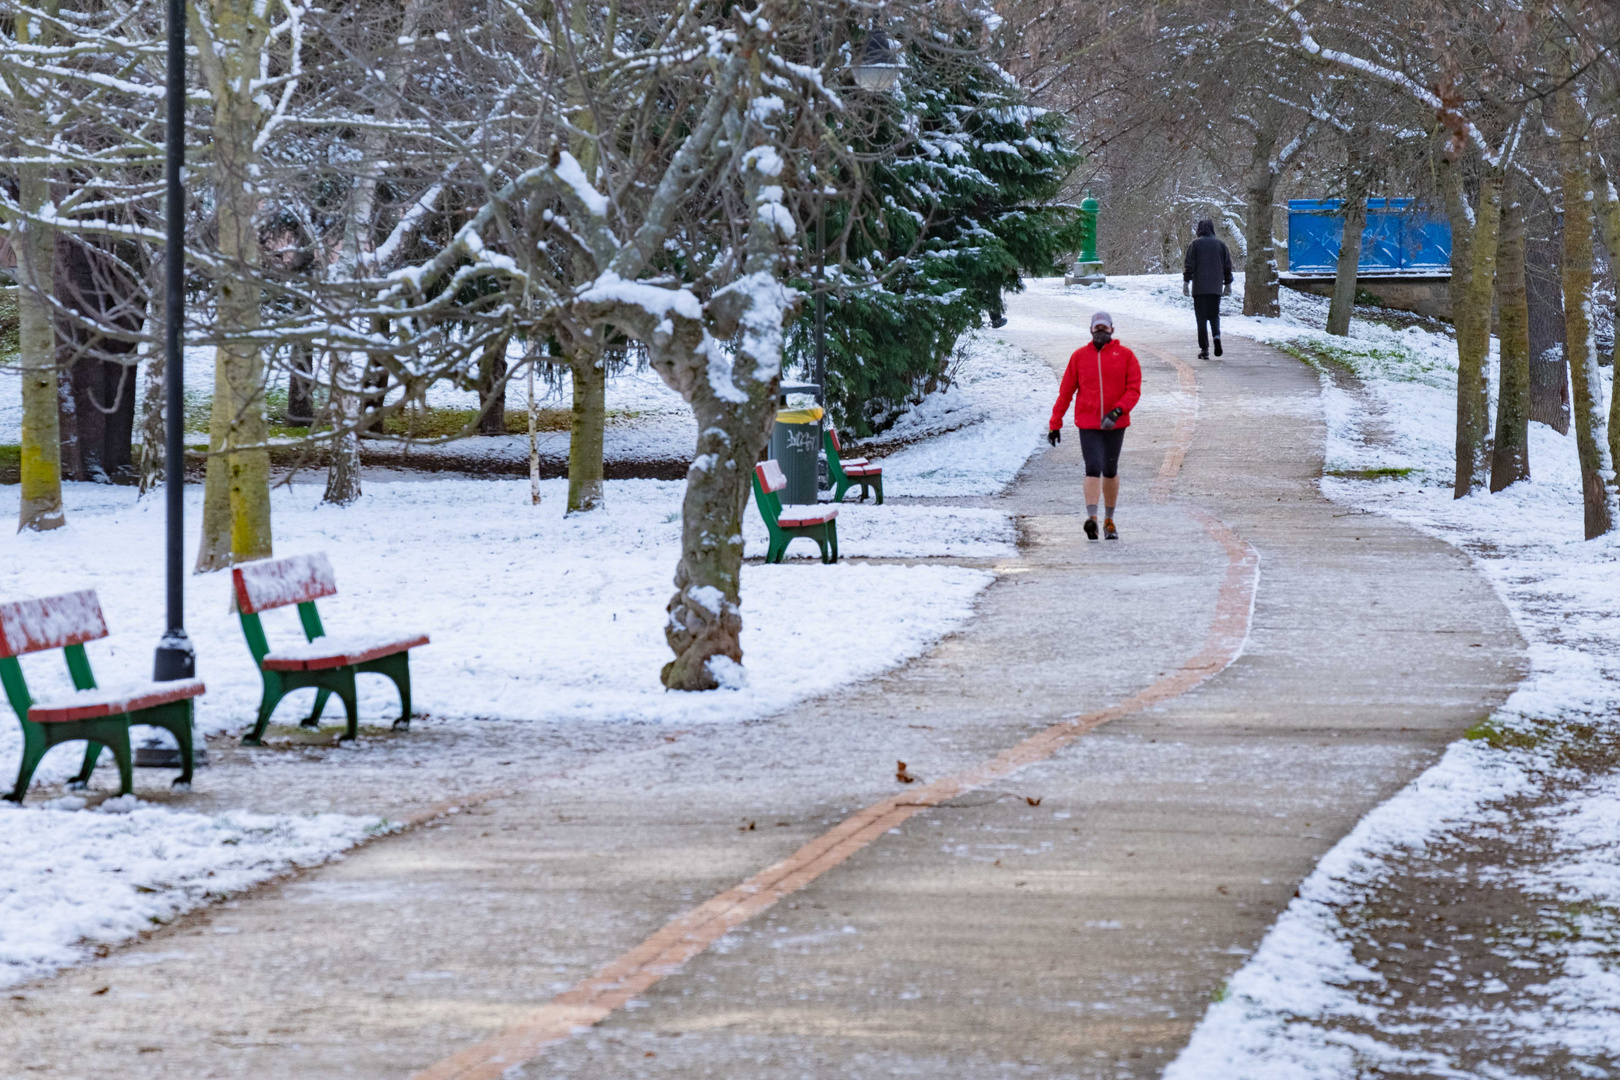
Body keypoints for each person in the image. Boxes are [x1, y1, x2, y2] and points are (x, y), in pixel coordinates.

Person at [1047, 310, 1142, 540]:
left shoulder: (1126, 356)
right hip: (1088, 424)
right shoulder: (1079, 357)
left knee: (1110, 470)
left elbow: (1134, 390)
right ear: (1091, 330)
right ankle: (1093, 519)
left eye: (1104, 328)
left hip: (1115, 424)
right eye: (1097, 328)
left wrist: (1117, 411)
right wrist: (1055, 423)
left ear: (1112, 330)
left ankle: (1110, 521)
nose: (1101, 332)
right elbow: (1066, 392)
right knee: (1092, 467)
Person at [1182, 218, 1233, 359]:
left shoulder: (1195, 244)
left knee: (1201, 319)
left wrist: (1186, 282)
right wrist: (1228, 284)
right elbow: (1227, 266)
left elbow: (1189, 265)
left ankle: (1204, 349)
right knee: (1214, 315)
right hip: (1215, 288)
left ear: (1199, 229)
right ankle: (1216, 336)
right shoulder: (1221, 245)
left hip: (1199, 288)